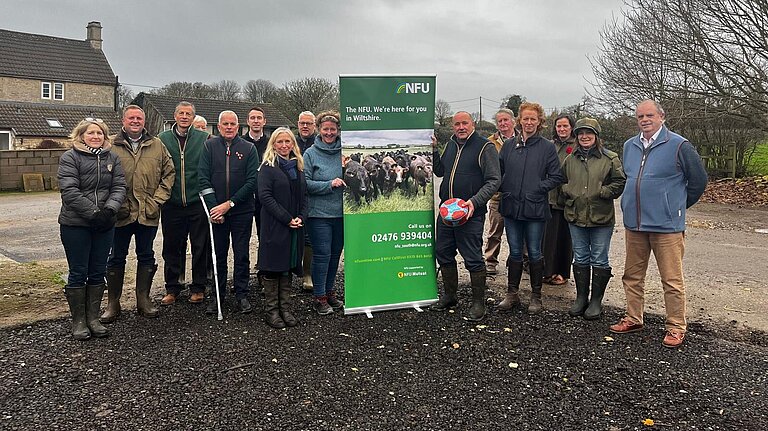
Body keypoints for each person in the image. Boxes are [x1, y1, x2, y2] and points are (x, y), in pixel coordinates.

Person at [610, 100, 707, 348]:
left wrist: (675, 207)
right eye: (640, 116)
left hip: (667, 227)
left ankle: (676, 326)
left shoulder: (679, 145)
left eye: (649, 115)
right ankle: (633, 317)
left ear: (661, 117)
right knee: (631, 276)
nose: (644, 119)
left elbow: (698, 181)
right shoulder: (629, 146)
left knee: (671, 280)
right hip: (635, 224)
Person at [101, 105, 175, 323]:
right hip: (120, 213)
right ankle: (113, 303)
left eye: (139, 118)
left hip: (147, 212)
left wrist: (157, 201)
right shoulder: (111, 146)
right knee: (116, 257)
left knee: (146, 255)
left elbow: (168, 174)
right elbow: (102, 180)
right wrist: (114, 204)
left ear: (144, 122)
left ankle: (143, 300)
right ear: (123, 121)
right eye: (131, 118)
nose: (135, 121)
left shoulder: (156, 145)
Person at [58, 118, 126, 340]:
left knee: (98, 270)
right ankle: (79, 321)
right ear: (81, 135)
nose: (96, 136)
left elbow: (119, 186)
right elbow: (69, 191)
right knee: (78, 271)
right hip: (75, 224)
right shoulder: (70, 157)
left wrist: (109, 210)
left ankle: (93, 318)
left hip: (105, 223)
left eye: (100, 133)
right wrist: (93, 213)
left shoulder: (112, 157)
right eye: (91, 133)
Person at [431, 111, 500, 321]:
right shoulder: (451, 144)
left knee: (472, 258)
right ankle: (450, 296)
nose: (461, 127)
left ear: (473, 124)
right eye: (457, 124)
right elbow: (440, 171)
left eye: (465, 123)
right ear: (453, 127)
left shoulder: (484, 147)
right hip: (446, 211)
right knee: (443, 252)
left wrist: (474, 202)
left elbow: (494, 180)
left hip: (470, 213)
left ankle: (478, 303)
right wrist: (434, 151)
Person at [497, 102, 564, 314]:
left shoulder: (547, 147)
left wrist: (537, 188)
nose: (528, 122)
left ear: (539, 122)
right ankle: (512, 293)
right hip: (511, 206)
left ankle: (536, 296)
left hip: (535, 208)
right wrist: (504, 187)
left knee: (535, 251)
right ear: (519, 120)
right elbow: (497, 173)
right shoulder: (509, 146)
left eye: (533, 119)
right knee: (515, 251)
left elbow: (556, 177)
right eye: (525, 118)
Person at [559, 118, 626, 320]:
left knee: (599, 257)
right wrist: (567, 191)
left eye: (589, 133)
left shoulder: (610, 158)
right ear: (576, 137)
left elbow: (620, 182)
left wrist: (604, 192)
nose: (584, 137)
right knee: (580, 257)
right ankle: (581, 298)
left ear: (596, 136)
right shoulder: (570, 159)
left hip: (601, 216)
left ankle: (596, 300)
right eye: (580, 133)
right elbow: (561, 180)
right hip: (575, 215)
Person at [199, 110, 260, 315]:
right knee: (218, 255)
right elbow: (203, 180)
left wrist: (230, 204)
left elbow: (252, 182)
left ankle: (242, 294)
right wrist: (215, 208)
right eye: (225, 124)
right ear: (218, 126)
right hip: (217, 212)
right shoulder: (209, 146)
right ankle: (218, 295)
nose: (228, 127)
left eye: (232, 124)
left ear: (238, 126)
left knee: (241, 254)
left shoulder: (249, 148)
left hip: (241, 210)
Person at [158, 102, 211, 306]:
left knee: (200, 245)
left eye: (189, 114)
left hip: (196, 201)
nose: (184, 116)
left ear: (193, 117)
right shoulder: (162, 139)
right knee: (172, 246)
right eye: (181, 113)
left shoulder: (203, 138)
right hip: (172, 203)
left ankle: (198, 287)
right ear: (175, 115)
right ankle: (173, 287)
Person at [257, 127, 307, 328]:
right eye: (280, 142)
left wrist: (302, 216)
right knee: (273, 267)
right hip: (275, 225)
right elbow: (265, 197)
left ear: (293, 145)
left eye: (288, 142)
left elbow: (305, 196)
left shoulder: (298, 167)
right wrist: (287, 218)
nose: (284, 146)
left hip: (295, 225)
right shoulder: (267, 169)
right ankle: (272, 311)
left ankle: (285, 309)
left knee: (287, 267)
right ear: (273, 145)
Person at [303, 110, 345, 315]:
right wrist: (329, 184)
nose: (329, 133)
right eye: (325, 129)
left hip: (342, 214)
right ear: (319, 130)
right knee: (322, 255)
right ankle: (319, 296)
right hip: (319, 214)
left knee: (335, 255)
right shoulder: (310, 153)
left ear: (338, 131)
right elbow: (305, 183)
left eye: (333, 129)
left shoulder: (344, 152)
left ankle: (329, 292)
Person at [542, 114, 576, 286]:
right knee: (548, 239)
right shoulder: (550, 145)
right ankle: (547, 271)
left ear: (571, 127)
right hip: (549, 198)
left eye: (565, 126)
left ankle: (562, 273)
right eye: (559, 126)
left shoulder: (577, 145)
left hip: (568, 200)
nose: (562, 129)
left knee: (565, 239)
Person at [484, 109, 516, 276]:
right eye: (500, 121)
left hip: (518, 195)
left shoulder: (523, 140)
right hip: (497, 195)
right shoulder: (489, 142)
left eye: (506, 120)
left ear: (513, 121)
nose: (503, 124)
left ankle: (518, 260)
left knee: (518, 231)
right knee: (495, 230)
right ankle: (490, 261)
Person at [296, 111, 317, 292]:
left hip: (312, 194)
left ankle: (307, 273)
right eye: (302, 123)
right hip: (291, 193)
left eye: (308, 123)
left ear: (314, 125)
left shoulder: (319, 143)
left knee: (309, 236)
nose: (305, 126)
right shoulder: (290, 141)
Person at [242, 106, 268, 238]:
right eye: (253, 118)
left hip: (264, 197)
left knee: (264, 235)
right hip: (245, 196)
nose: (256, 121)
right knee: (242, 237)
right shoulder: (240, 143)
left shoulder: (271, 144)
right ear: (247, 121)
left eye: (259, 118)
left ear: (264, 121)